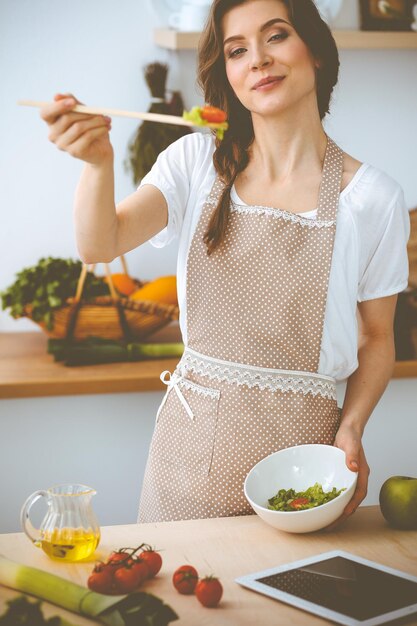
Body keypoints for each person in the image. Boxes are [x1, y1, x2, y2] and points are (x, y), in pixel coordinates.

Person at [41, 0, 409, 530]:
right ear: (229, 77)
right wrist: (97, 163)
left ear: (317, 53)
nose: (258, 59)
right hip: (187, 459)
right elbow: (102, 243)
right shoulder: (194, 163)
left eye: (276, 36)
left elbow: (377, 336)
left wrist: (352, 426)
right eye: (237, 50)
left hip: (305, 468)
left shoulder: (373, 198)